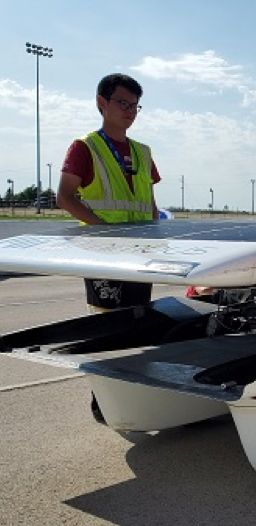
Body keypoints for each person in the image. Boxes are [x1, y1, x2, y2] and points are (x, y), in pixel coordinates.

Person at [57, 73, 161, 421]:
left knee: (136, 325)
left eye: (135, 105)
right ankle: (104, 403)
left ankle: (132, 396)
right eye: (122, 103)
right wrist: (103, 233)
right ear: (102, 103)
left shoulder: (143, 153)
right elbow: (65, 197)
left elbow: (150, 203)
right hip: (104, 258)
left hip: (139, 259)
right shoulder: (85, 147)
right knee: (108, 329)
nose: (129, 111)